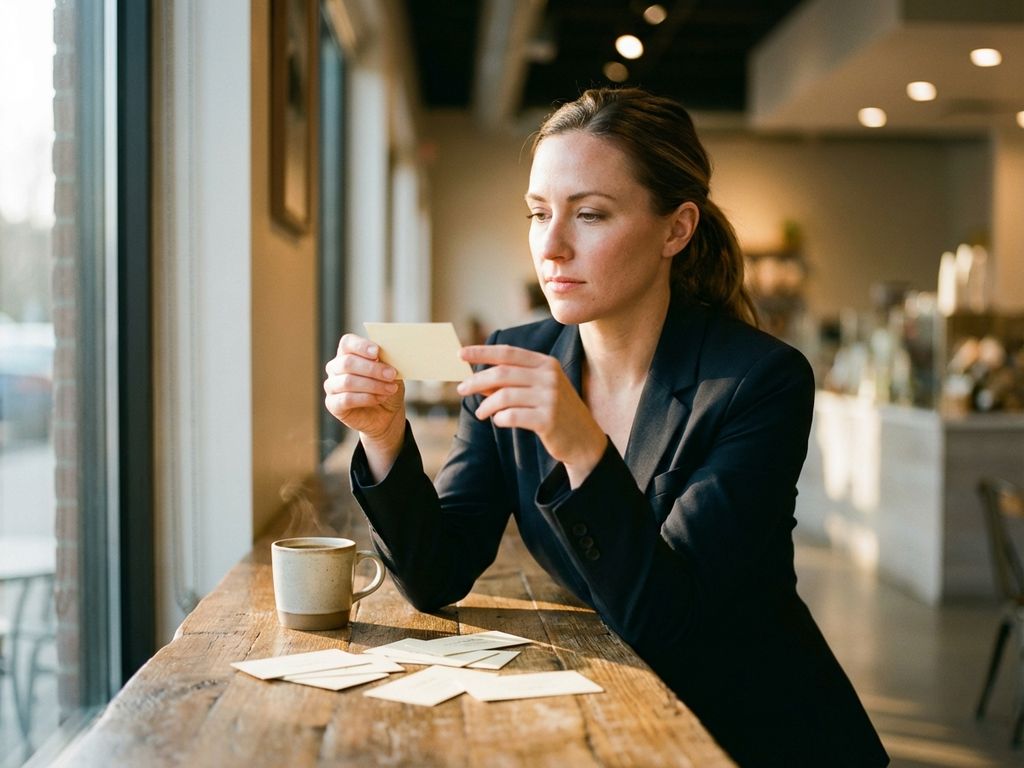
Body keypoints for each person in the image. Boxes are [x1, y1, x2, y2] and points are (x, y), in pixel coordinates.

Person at [324, 88, 888, 767]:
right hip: (617, 722)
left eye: (590, 214)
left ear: (676, 229)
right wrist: (383, 436)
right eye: (538, 213)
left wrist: (581, 446)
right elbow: (436, 573)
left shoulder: (760, 381)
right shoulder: (516, 357)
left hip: (758, 732)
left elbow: (667, 619)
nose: (552, 246)